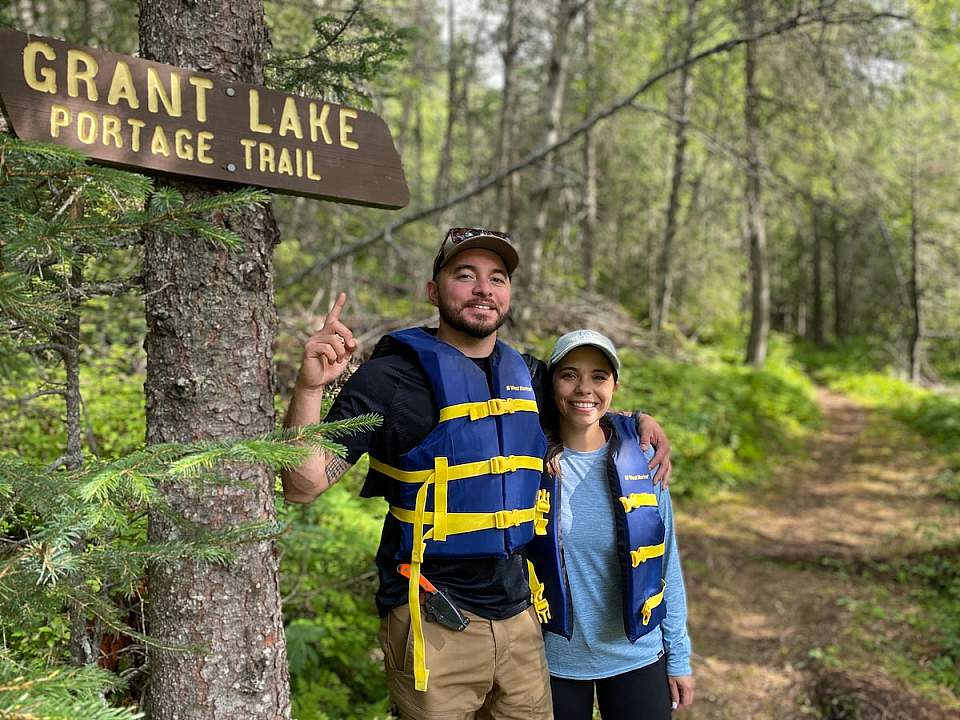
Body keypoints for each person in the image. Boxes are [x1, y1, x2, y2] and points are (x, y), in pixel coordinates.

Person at [281, 228, 673, 720]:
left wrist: (637, 423)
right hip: (433, 620)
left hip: (521, 624)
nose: (483, 288)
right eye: (465, 275)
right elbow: (302, 484)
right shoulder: (390, 379)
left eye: (497, 277)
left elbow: (586, 401)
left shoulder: (528, 376)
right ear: (433, 290)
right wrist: (309, 388)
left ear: (508, 293)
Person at [525, 329, 694, 720]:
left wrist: (679, 656)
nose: (584, 388)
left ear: (614, 385)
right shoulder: (529, 464)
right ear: (551, 385)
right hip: (552, 661)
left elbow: (666, 564)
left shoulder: (644, 461)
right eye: (569, 375)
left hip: (635, 654)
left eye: (598, 376)